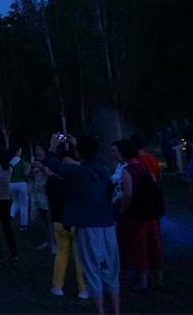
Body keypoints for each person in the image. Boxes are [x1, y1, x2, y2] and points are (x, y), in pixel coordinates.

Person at [47, 134, 120, 315]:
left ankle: (100, 312)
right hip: (108, 225)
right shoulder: (103, 170)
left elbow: (54, 166)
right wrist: (76, 146)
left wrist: (52, 147)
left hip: (89, 226)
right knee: (111, 271)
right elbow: (97, 162)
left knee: (92, 271)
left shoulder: (77, 173)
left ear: (80, 152)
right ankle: (116, 311)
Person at [113, 139, 163, 291]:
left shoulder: (128, 170)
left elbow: (128, 194)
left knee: (139, 246)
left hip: (136, 214)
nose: (114, 155)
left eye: (116, 152)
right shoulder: (144, 167)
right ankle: (158, 279)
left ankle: (142, 282)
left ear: (123, 153)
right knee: (153, 245)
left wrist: (121, 211)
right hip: (150, 213)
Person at [42, 141, 88, 299]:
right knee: (79, 256)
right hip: (75, 220)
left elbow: (50, 201)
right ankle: (83, 289)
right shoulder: (79, 177)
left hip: (59, 220)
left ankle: (57, 287)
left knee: (62, 254)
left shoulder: (52, 180)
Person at [29, 144, 54, 252]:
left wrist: (42, 167)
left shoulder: (49, 161)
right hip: (37, 193)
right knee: (42, 217)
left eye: (40, 149)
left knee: (49, 218)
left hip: (46, 192)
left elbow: (51, 175)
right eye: (36, 149)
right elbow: (29, 176)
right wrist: (31, 168)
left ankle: (53, 243)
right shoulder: (34, 161)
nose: (38, 151)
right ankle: (47, 241)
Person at [8, 145, 29, 231]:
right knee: (24, 205)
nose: (21, 151)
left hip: (11, 184)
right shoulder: (21, 161)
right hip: (21, 184)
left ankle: (11, 215)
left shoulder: (10, 162)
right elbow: (26, 173)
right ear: (17, 151)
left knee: (16, 201)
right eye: (20, 150)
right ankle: (23, 225)